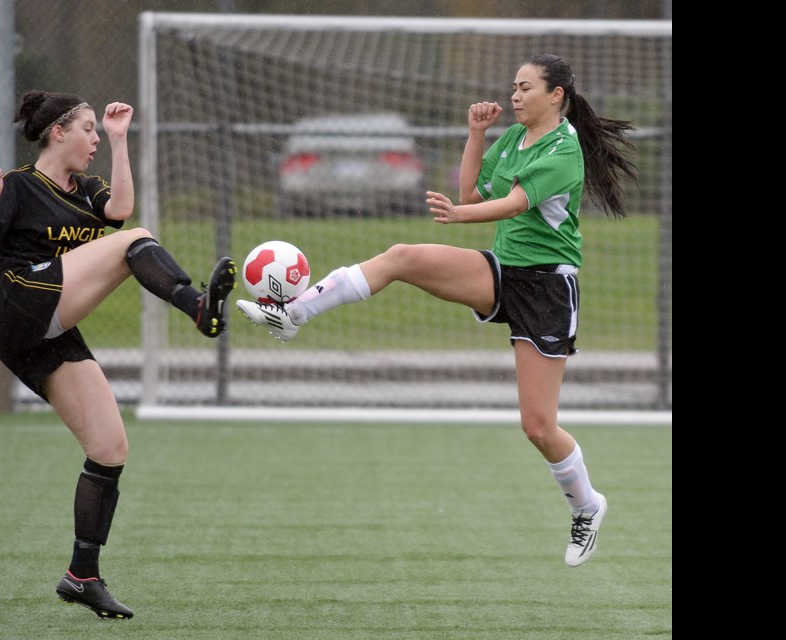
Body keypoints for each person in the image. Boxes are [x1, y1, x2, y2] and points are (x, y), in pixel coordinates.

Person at [236, 54, 637, 567]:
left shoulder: (565, 148)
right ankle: (294, 314)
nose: (514, 96)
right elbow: (471, 191)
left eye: (525, 87)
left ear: (556, 94)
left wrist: (461, 215)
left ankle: (587, 505)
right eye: (512, 86)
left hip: (547, 290)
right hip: (502, 271)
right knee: (403, 257)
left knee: (538, 426)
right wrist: (476, 135)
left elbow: (512, 204)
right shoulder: (514, 138)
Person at [0, 90, 237, 618]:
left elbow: (120, 211)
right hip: (17, 297)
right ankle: (198, 307)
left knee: (110, 448)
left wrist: (117, 139)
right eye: (88, 129)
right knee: (135, 242)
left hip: (50, 324)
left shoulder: (87, 190)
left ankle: (82, 574)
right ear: (56, 133)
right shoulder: (18, 184)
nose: (93, 139)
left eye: (96, 131)